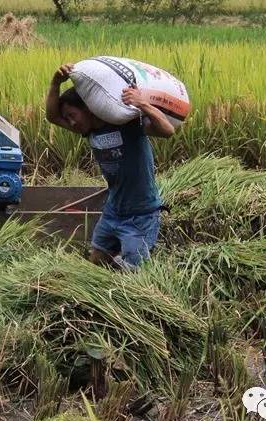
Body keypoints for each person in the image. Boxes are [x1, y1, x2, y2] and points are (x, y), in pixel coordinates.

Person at [46, 63, 176, 270]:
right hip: (113, 210)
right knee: (97, 259)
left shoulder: (127, 125)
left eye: (72, 115)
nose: (70, 123)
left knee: (135, 271)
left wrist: (143, 104)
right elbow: (52, 117)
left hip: (140, 214)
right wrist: (55, 83)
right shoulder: (89, 131)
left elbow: (168, 131)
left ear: (89, 108)